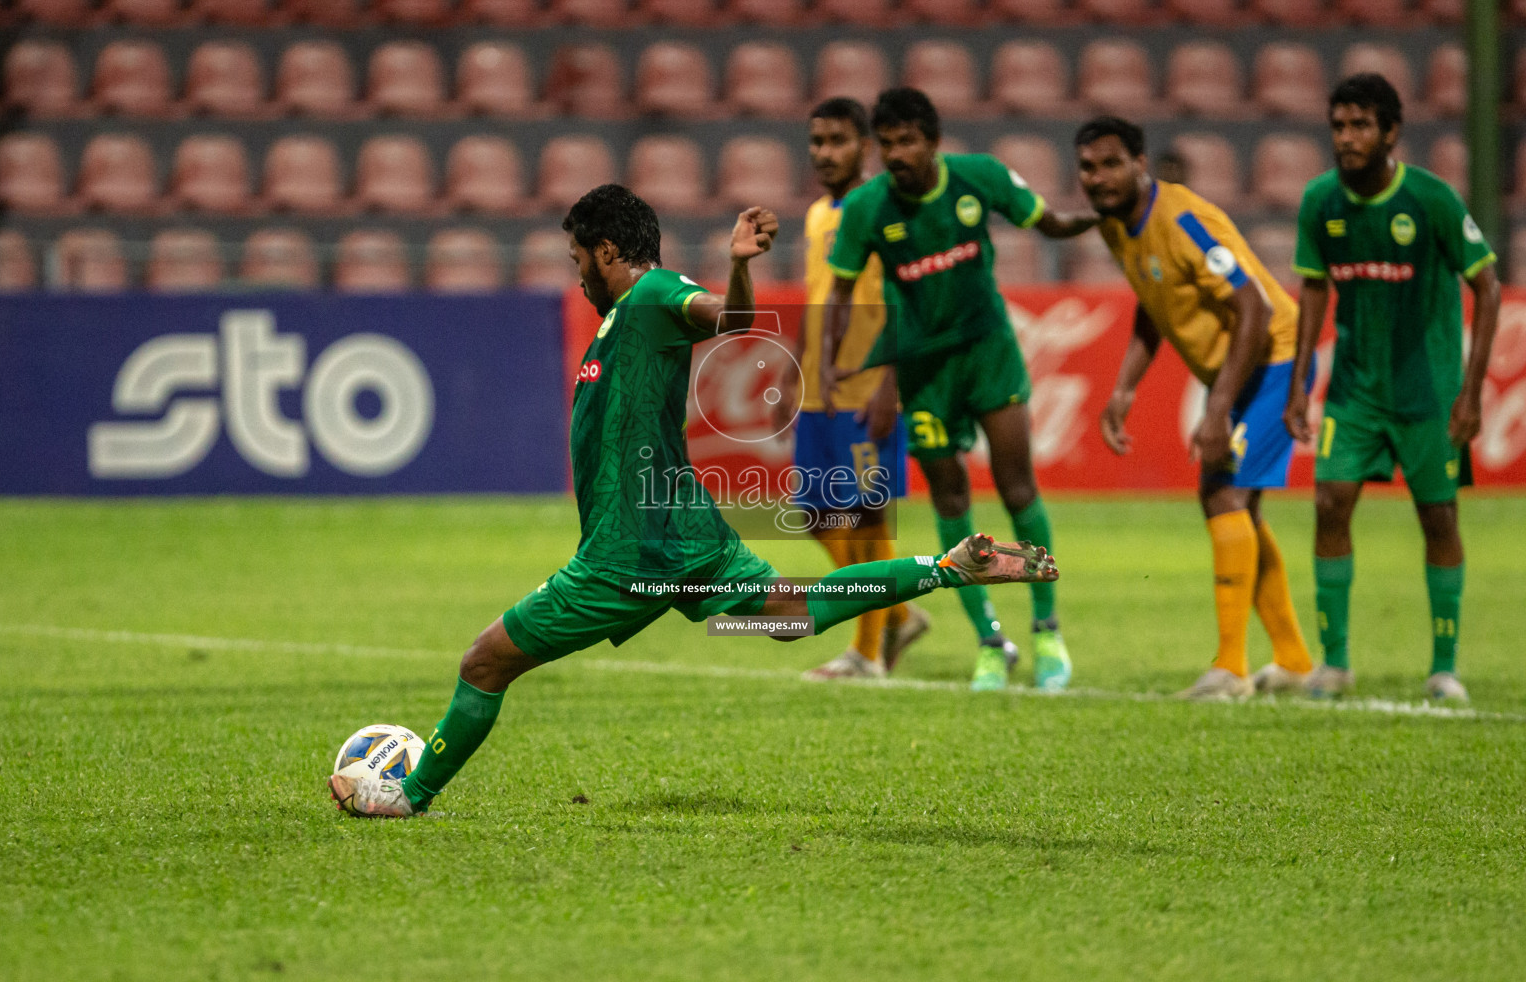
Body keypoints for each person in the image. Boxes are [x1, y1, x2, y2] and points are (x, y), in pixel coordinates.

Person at [329, 185, 1059, 818]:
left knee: (484, 663)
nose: (577, 274)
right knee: (790, 616)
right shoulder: (623, 317)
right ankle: (946, 566)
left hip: (628, 554)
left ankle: (409, 794)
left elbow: (734, 323)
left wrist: (740, 266)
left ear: (608, 250)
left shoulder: (649, 295)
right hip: (684, 533)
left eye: (579, 259)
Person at [822, 87, 1097, 692]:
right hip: (924, 375)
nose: (896, 154)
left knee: (1016, 485)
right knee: (950, 503)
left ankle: (1047, 629)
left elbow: (1050, 222)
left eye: (907, 141)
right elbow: (839, 294)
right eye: (887, 143)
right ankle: (990, 642)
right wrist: (835, 367)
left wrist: (1109, 215)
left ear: (934, 141)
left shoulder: (980, 178)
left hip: (987, 353)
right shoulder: (868, 208)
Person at [1075, 116, 1316, 700]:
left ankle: (1231, 669)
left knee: (1223, 495)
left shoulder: (1181, 218)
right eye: (1087, 166)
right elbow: (1154, 300)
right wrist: (1126, 387)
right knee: (1241, 510)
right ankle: (1293, 662)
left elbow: (1254, 308)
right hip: (1240, 368)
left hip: (1274, 356)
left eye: (1110, 164)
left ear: (1140, 163)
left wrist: (1218, 408)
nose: (1098, 177)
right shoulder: (1116, 225)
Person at [1284, 73, 1500, 702]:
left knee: (1437, 517)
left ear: (1391, 132)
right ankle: (1336, 662)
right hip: (1353, 391)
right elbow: (1315, 287)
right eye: (1338, 126)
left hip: (1427, 391)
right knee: (1329, 504)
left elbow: (1486, 285)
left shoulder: (1432, 200)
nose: (1346, 138)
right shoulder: (1320, 200)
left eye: (1360, 125)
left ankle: (1444, 667)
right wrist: (1301, 382)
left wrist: (1472, 390)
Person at [773, 97, 931, 681]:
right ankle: (896, 612)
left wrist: (891, 380)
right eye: (816, 142)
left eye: (838, 141)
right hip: (821, 389)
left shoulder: (884, 211)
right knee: (815, 515)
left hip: (867, 387)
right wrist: (795, 368)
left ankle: (866, 653)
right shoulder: (818, 215)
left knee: (866, 517)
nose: (824, 153)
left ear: (865, 148)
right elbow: (820, 295)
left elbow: (908, 300)